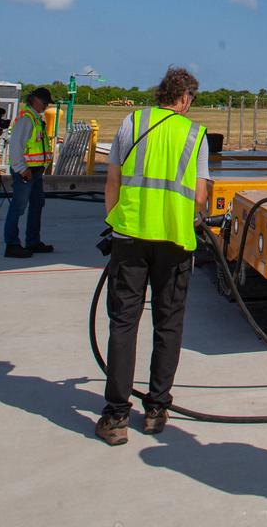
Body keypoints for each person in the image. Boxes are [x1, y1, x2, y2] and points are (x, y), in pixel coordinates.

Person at [95, 66, 209, 446]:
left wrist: (115, 223)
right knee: (168, 324)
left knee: (123, 324)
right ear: (184, 97)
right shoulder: (195, 135)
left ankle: (115, 417)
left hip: (129, 238)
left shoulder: (132, 122)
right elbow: (199, 196)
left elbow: (112, 180)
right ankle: (157, 409)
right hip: (174, 242)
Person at [4, 87, 54, 259]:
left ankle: (33, 241)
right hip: (26, 171)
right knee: (18, 207)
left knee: (37, 205)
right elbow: (16, 145)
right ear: (35, 100)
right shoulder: (26, 119)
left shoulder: (35, 119)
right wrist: (21, 168)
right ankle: (12, 244)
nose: (46, 106)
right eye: (45, 103)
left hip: (36, 170)